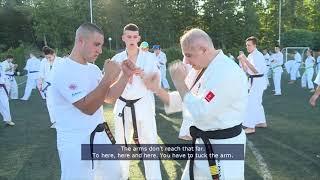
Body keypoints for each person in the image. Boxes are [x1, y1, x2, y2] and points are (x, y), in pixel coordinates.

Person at [144, 28, 247, 180]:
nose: (186, 61)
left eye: (188, 55)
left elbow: (200, 112)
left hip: (224, 147)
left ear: (203, 49)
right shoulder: (200, 68)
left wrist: (180, 83)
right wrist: (157, 89)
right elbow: (183, 100)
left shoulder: (227, 72)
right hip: (202, 144)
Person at [48, 22, 138, 180]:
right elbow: (87, 107)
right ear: (80, 41)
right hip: (75, 140)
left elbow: (108, 97)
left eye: (101, 45)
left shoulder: (93, 69)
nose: (100, 50)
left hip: (100, 135)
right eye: (96, 44)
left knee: (116, 175)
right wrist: (108, 77)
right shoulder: (62, 69)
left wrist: (125, 75)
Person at [111, 23, 162, 180]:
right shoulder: (116, 59)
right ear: (123, 38)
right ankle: (122, 176)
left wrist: (141, 73)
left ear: (139, 38)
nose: (132, 39)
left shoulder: (150, 58)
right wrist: (123, 75)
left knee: (150, 144)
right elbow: (109, 84)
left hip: (143, 103)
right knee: (121, 143)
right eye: (129, 37)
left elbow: (156, 85)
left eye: (134, 37)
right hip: (122, 103)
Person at [237, 37, 267, 134]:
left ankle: (250, 127)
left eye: (249, 45)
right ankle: (261, 122)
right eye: (246, 45)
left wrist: (245, 59)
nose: (247, 47)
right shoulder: (250, 55)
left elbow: (255, 70)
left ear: (255, 45)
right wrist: (242, 60)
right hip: (253, 80)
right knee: (257, 103)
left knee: (251, 103)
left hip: (258, 81)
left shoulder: (258, 55)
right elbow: (246, 70)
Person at [39, 46, 63, 128]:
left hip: (60, 86)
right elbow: (41, 74)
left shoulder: (61, 61)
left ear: (54, 54)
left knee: (61, 103)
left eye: (49, 57)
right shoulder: (43, 61)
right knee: (50, 104)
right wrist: (40, 84)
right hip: (48, 86)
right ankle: (54, 121)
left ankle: (63, 120)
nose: (48, 59)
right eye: (46, 57)